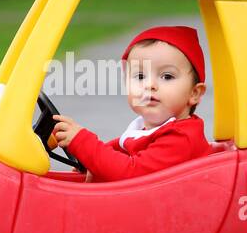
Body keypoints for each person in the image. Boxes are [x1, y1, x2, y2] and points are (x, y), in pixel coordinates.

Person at [51, 25, 210, 182]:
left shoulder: (182, 138)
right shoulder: (144, 130)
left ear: (194, 93)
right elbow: (110, 154)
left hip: (171, 206)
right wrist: (89, 161)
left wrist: (81, 141)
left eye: (167, 76)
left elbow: (131, 173)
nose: (149, 85)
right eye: (140, 76)